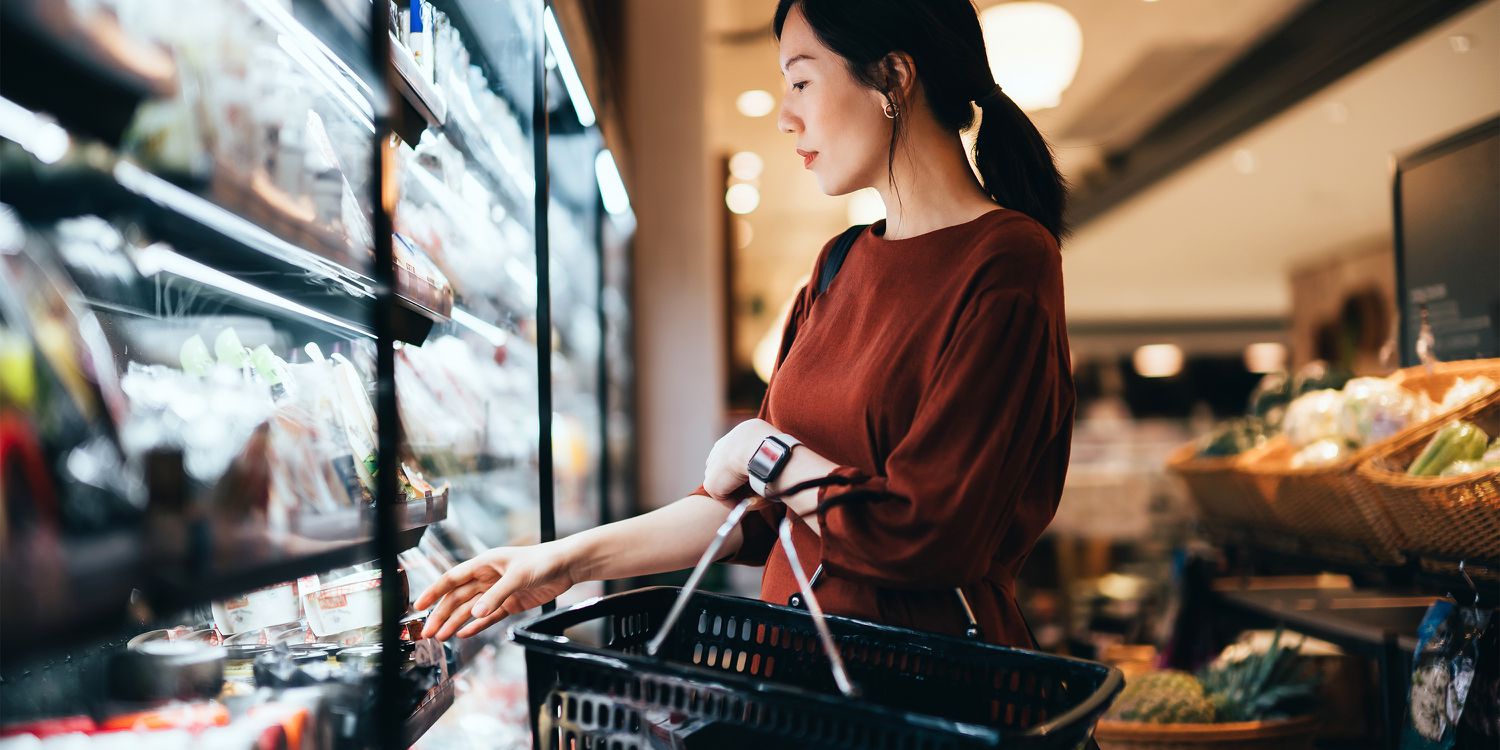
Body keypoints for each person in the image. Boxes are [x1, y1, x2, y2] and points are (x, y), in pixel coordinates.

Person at [417, 0, 1073, 650]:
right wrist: (560, 562)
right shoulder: (839, 265)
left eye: (802, 81)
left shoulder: (1007, 261)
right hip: (799, 692)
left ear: (894, 78)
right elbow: (753, 509)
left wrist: (768, 453)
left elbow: (929, 536)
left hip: (922, 701)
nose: (787, 116)